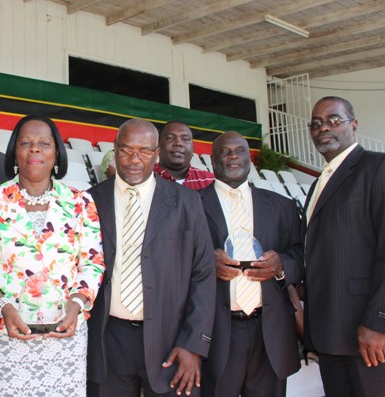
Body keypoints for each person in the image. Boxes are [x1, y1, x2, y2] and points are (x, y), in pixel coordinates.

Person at [0, 115, 105, 397]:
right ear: (15, 152)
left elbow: (92, 262)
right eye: (26, 143)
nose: (35, 149)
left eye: (44, 143)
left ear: (57, 153)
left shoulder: (80, 202)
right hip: (5, 334)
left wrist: (76, 305)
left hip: (64, 336)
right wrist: (3, 305)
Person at [87, 118, 215, 397]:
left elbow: (203, 272)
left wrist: (194, 343)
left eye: (144, 151)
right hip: (109, 340)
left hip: (171, 341)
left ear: (156, 154)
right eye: (126, 150)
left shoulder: (186, 202)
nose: (134, 159)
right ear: (115, 149)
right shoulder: (90, 201)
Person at [198, 131, 303, 397]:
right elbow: (173, 258)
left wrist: (282, 265)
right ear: (212, 160)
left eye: (240, 150)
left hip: (270, 333)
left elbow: (302, 254)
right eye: (225, 151)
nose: (233, 155)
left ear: (250, 159)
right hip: (216, 332)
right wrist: (207, 262)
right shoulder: (191, 205)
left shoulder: (282, 206)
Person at [303, 96, 385, 396]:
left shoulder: (377, 167)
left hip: (367, 334)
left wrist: (379, 322)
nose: (324, 127)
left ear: (354, 124)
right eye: (316, 123)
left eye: (334, 120)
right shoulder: (318, 182)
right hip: (329, 333)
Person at [154, 121, 214, 190]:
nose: (178, 143)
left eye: (185, 139)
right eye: (170, 138)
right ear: (158, 146)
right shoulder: (144, 178)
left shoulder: (211, 181)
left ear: (193, 149)